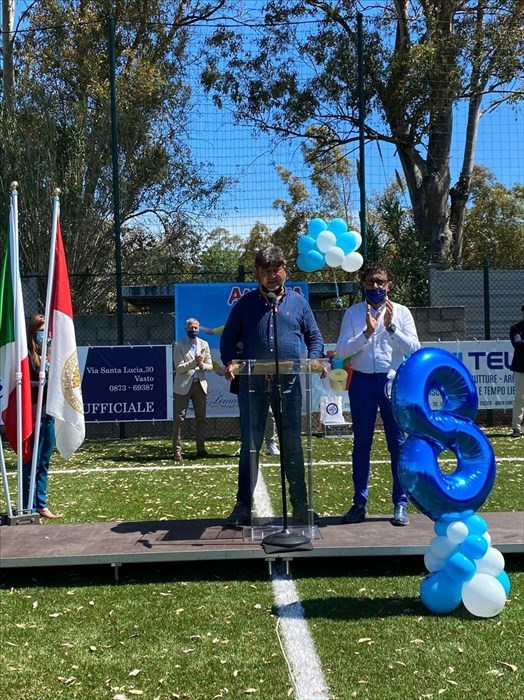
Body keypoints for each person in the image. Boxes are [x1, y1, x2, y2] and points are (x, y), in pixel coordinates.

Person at [220, 244, 325, 526]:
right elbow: (227, 340)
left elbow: (315, 338)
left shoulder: (299, 303)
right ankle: (243, 507)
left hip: (290, 382)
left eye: (275, 270)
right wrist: (230, 361)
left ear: (285, 271)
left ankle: (301, 506)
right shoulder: (244, 305)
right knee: (251, 445)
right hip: (252, 384)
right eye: (265, 271)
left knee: (292, 444)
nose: (271, 276)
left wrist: (314, 359)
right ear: (256, 274)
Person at [336, 262, 420, 526]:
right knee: (361, 444)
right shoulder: (353, 313)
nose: (375, 286)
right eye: (371, 281)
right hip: (361, 383)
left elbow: (414, 347)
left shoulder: (402, 313)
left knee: (398, 444)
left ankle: (401, 503)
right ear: (364, 284)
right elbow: (341, 351)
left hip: (392, 381)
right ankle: (359, 503)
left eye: (380, 282)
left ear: (389, 285)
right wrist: (367, 333)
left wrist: (390, 328)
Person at [22, 313, 61, 519]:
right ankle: (27, 505)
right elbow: (23, 386)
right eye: (40, 331)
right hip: (33, 416)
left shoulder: (51, 354)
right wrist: (40, 383)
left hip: (48, 415)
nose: (44, 335)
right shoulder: (27, 356)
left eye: (46, 331)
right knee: (31, 462)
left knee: (44, 461)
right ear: (33, 332)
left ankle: (41, 504)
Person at [172, 317, 213, 460]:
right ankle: (177, 450)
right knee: (179, 419)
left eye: (196, 328)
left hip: (200, 385)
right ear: (186, 329)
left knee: (201, 419)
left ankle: (201, 449)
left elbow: (210, 366)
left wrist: (201, 365)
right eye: (191, 328)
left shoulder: (204, 344)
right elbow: (179, 368)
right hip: (183, 386)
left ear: (199, 328)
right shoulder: (179, 345)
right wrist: (194, 362)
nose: (193, 330)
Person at [509, 304, 524, 438]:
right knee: (520, 398)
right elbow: (517, 344)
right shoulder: (516, 328)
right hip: (521, 368)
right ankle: (516, 427)